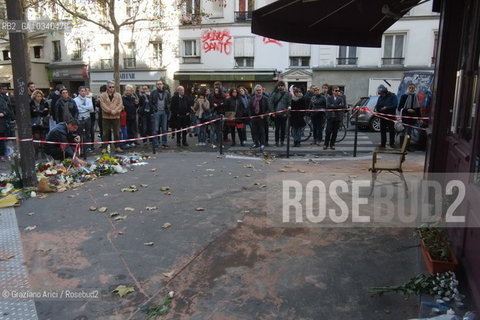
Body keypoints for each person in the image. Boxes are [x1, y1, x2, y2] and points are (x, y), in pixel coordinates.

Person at [99, 81, 124, 153]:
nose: (111, 88)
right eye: (110, 87)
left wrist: (115, 111)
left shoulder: (118, 95)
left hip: (116, 117)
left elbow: (120, 104)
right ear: (107, 87)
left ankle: (117, 147)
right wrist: (110, 111)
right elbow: (103, 105)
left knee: (117, 132)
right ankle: (104, 147)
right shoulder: (103, 95)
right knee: (105, 133)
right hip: (106, 117)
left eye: (113, 87)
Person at [269, 81, 291, 147]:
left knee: (283, 129)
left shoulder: (287, 94)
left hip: (284, 114)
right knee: (277, 129)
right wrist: (273, 112)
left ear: (284, 86)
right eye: (279, 86)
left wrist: (286, 113)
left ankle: (282, 141)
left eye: (282, 85)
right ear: (277, 86)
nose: (280, 87)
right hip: (276, 114)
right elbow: (271, 103)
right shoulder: (274, 94)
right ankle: (276, 141)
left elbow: (289, 104)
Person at [150, 80, 171, 148]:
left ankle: (164, 142)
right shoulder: (153, 92)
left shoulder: (166, 92)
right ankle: (156, 143)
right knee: (156, 129)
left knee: (164, 128)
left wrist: (168, 108)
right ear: (156, 85)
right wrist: (154, 109)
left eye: (161, 84)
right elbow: (150, 102)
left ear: (163, 85)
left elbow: (169, 101)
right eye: (158, 84)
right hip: (157, 111)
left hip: (164, 112)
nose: (159, 85)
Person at [249, 84, 270, 151]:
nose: (259, 91)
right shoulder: (252, 99)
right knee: (254, 131)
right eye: (257, 90)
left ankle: (262, 144)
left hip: (262, 118)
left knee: (262, 132)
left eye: (260, 90)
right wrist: (250, 115)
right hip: (254, 117)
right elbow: (249, 108)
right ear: (255, 91)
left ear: (262, 90)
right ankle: (256, 143)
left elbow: (268, 109)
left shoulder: (265, 98)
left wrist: (264, 114)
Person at [30, 90, 50, 157]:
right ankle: (36, 152)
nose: (39, 98)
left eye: (40, 96)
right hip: (34, 122)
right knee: (36, 137)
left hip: (43, 121)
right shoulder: (31, 103)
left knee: (43, 137)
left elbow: (46, 112)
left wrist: (38, 111)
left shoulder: (44, 102)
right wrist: (41, 111)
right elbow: (32, 112)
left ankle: (43, 152)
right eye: (38, 96)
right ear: (34, 96)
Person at [74, 86, 94, 151]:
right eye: (82, 91)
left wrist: (82, 106)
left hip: (87, 118)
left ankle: (88, 147)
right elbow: (78, 109)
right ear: (79, 92)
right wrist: (86, 108)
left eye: (84, 91)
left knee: (87, 133)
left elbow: (90, 108)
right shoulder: (75, 100)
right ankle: (80, 147)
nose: (83, 92)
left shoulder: (88, 99)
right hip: (80, 118)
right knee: (80, 133)